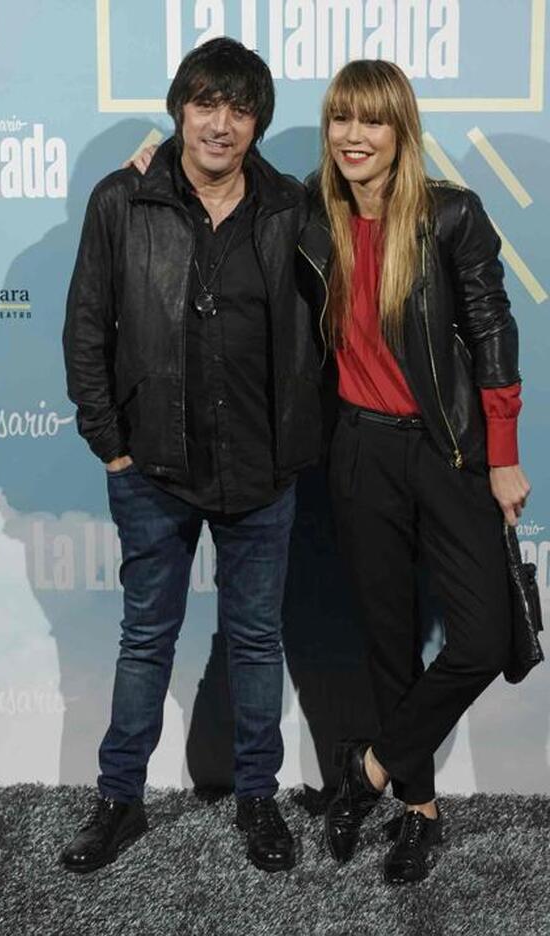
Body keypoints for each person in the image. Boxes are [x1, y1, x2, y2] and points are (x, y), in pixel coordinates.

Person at [61, 37, 322, 874]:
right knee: (147, 641)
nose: (221, 124)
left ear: (257, 123)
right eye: (206, 104)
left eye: (240, 109)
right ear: (179, 109)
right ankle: (118, 802)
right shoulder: (122, 201)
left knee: (255, 643)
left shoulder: (289, 207)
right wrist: (111, 448)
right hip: (153, 474)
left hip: (262, 473)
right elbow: (84, 330)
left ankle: (258, 800)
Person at [296, 59, 530, 884]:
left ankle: (368, 771)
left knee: (484, 638)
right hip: (358, 451)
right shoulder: (310, 217)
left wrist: (502, 456)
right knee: (389, 639)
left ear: (401, 131)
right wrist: (157, 165)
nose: (353, 138)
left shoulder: (450, 216)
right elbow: (222, 182)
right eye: (340, 120)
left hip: (449, 449)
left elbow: (493, 332)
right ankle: (418, 813)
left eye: (372, 122)